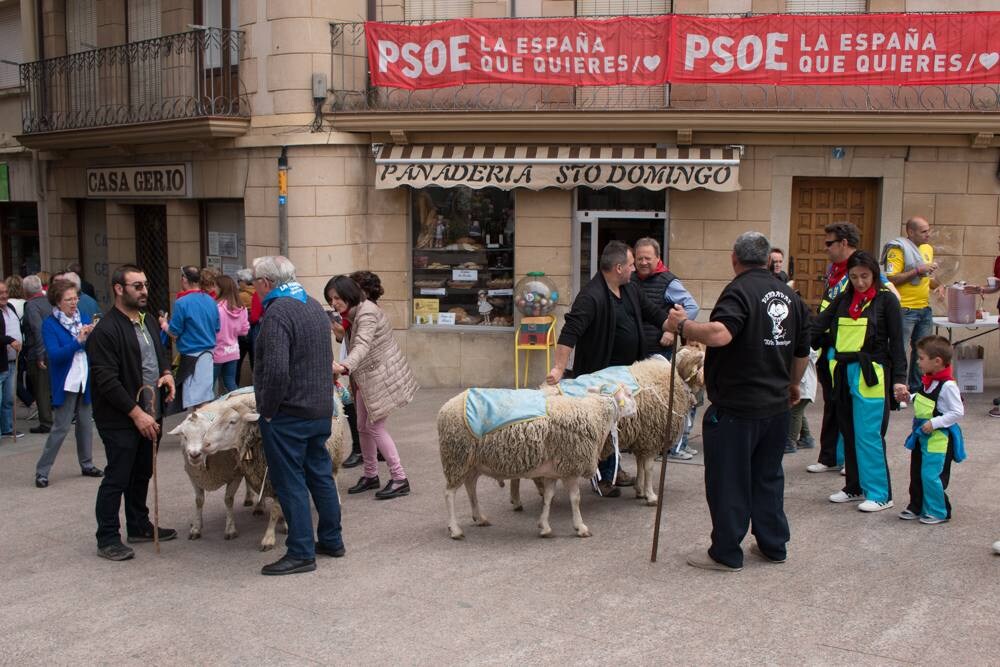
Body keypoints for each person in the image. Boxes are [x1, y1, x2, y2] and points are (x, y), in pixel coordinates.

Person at [665, 232, 810, 572]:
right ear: (766, 259)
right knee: (768, 477)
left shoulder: (740, 290)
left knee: (728, 480)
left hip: (737, 408)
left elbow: (720, 334)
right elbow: (801, 352)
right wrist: (792, 384)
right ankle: (774, 545)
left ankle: (727, 552)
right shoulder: (791, 297)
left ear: (735, 258)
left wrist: (683, 324)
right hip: (775, 406)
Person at [546, 240, 671, 497]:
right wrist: (559, 368)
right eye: (631, 264)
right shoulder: (591, 296)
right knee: (602, 427)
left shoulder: (631, 290)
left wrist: (676, 324)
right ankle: (601, 476)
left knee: (621, 425)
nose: (634, 269)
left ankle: (613, 470)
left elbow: (654, 314)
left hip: (626, 376)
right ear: (618, 268)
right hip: (598, 377)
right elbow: (570, 332)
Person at [253, 256, 344, 575]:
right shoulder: (311, 306)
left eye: (255, 283)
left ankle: (302, 551)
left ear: (266, 283)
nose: (254, 289)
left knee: (290, 480)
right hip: (318, 408)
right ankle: (331, 540)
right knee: (319, 473)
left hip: (289, 412)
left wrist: (267, 408)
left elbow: (276, 370)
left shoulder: (278, 311)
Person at [89, 265, 177, 561]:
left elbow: (160, 354)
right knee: (118, 475)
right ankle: (107, 537)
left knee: (142, 470)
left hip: (152, 410)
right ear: (118, 289)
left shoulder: (147, 319)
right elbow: (106, 381)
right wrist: (136, 413)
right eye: (136, 286)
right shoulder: (106, 330)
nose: (144, 291)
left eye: (145, 285)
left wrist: (167, 373)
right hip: (120, 418)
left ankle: (139, 525)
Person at [812, 251, 907, 513]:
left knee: (868, 435)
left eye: (864, 276)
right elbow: (818, 325)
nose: (860, 282)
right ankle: (854, 487)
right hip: (842, 372)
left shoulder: (887, 300)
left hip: (871, 375)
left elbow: (898, 344)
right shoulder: (844, 298)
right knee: (849, 432)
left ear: (874, 274)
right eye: (854, 277)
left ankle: (880, 494)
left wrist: (900, 380)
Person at [807, 222, 896, 475]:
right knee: (833, 405)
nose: (825, 249)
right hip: (830, 348)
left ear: (843, 243)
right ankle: (830, 456)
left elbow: (890, 299)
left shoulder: (865, 270)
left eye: (829, 243)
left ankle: (852, 461)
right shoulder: (834, 271)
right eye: (855, 278)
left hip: (858, 354)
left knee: (857, 412)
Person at [328, 274, 417, 500]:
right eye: (330, 299)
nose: (334, 303)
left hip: (380, 376)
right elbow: (351, 340)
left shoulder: (367, 312)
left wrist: (344, 366)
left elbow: (362, 344)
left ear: (349, 294)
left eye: (337, 297)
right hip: (367, 377)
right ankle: (370, 475)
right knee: (362, 425)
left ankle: (399, 478)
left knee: (375, 427)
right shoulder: (353, 312)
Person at [631, 236, 700, 461]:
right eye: (639, 258)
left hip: (660, 353)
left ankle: (671, 444)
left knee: (664, 401)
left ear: (657, 258)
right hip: (635, 351)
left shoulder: (668, 281)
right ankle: (638, 442)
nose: (643, 262)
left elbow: (691, 306)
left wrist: (672, 330)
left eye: (647, 258)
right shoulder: (629, 279)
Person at [33, 280, 102, 487]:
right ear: (57, 301)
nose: (74, 303)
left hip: (84, 378)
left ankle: (87, 464)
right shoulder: (50, 324)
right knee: (61, 427)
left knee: (85, 424)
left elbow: (91, 348)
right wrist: (77, 342)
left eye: (75, 298)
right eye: (69, 299)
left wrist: (92, 335)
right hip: (66, 382)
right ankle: (42, 471)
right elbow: (55, 355)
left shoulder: (83, 318)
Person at [900, 336, 966, 525]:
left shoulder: (948, 386)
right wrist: (909, 397)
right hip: (923, 438)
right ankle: (917, 505)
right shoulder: (930, 380)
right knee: (917, 472)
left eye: (921, 358)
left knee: (932, 475)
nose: (918, 362)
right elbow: (924, 398)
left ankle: (939, 511)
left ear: (937, 361)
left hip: (939, 440)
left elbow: (957, 412)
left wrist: (935, 423)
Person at [882, 216, 940, 393]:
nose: (928, 235)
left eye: (928, 230)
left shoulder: (928, 249)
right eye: (923, 231)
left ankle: (916, 389)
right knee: (899, 350)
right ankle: (895, 387)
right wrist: (917, 270)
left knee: (922, 352)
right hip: (905, 309)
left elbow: (925, 278)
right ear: (910, 232)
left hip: (924, 309)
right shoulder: (897, 249)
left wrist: (938, 285)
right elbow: (891, 278)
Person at [159, 266, 219, 410]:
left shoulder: (182, 302)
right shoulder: (211, 301)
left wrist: (164, 324)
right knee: (203, 398)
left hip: (191, 357)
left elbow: (174, 332)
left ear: (184, 279)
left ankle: (201, 431)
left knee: (198, 402)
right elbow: (217, 327)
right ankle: (203, 430)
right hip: (209, 355)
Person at [22, 275, 54, 434]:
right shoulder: (49, 301)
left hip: (38, 351)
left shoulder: (31, 306)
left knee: (41, 389)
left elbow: (37, 330)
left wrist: (40, 355)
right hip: (52, 348)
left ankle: (46, 422)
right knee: (50, 386)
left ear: (26, 291)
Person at [212, 275, 249, 395]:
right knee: (230, 382)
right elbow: (244, 331)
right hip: (233, 351)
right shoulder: (241, 308)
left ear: (221, 288)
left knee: (210, 386)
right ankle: (239, 406)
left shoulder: (217, 308)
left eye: (216, 286)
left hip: (217, 352)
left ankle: (211, 412)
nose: (214, 289)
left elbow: (212, 329)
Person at [0, 281, 24, 439]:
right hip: (0, 362)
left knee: (8, 398)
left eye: (6, 292)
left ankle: (7, 428)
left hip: (12, 360)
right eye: (1, 293)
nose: (4, 295)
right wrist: (9, 340)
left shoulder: (11, 307)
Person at [785, 348, 818, 454]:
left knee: (795, 412)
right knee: (799, 411)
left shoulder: (804, 345)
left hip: (803, 384)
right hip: (803, 384)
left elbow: (803, 358)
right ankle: (806, 438)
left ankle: (790, 442)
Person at [235, 269, 256, 379]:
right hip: (256, 330)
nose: (238, 284)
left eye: (239, 281)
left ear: (244, 281)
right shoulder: (258, 293)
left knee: (236, 364)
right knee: (255, 363)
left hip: (242, 332)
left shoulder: (241, 296)